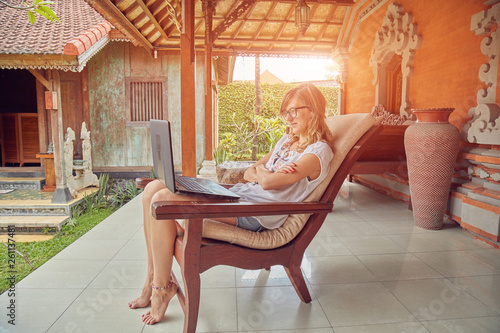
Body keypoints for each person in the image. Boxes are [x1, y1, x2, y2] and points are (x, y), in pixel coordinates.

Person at [129, 83, 335, 325]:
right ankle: (151, 279)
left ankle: (161, 289)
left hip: (254, 213)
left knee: (161, 200)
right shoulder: (287, 141)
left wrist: (264, 174)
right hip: (239, 196)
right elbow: (250, 173)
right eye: (285, 112)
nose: (287, 118)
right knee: (152, 189)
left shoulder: (318, 152)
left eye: (293, 111)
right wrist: (263, 172)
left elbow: (268, 183)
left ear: (313, 110)